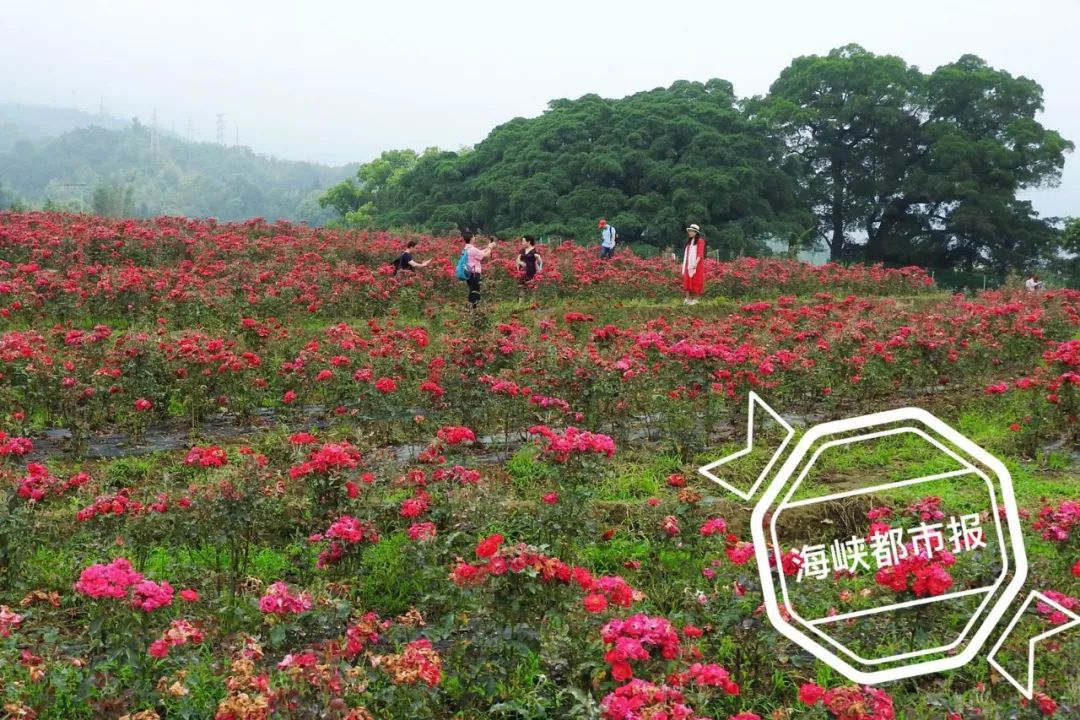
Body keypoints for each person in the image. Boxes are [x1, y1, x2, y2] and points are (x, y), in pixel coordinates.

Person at [462, 230, 495, 309]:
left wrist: (488, 247)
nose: (474, 238)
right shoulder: (473, 249)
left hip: (468, 273)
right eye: (473, 236)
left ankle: (472, 309)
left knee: (473, 290)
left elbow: (480, 252)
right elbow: (486, 255)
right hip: (474, 274)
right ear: (471, 239)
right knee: (475, 292)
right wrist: (491, 247)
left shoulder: (465, 249)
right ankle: (471, 310)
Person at [682, 224, 706, 305]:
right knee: (687, 279)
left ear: (696, 232)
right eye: (689, 231)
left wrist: (695, 263)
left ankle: (696, 299)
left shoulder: (700, 241)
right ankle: (687, 298)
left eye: (692, 231)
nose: (690, 232)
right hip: (688, 264)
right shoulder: (689, 242)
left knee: (696, 280)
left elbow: (700, 254)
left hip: (697, 264)